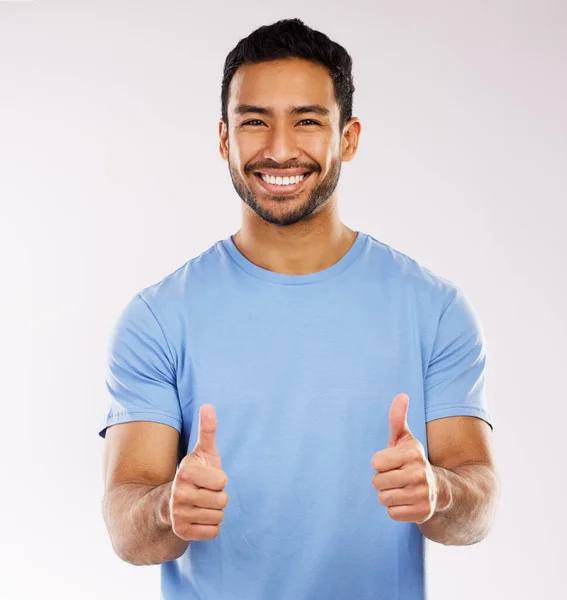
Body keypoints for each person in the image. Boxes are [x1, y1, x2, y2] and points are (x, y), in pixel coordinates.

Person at [99, 17, 500, 600]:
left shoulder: (433, 308)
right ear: (223, 140)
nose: (279, 149)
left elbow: (478, 507)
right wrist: (167, 507)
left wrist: (440, 492)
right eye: (254, 122)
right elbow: (126, 527)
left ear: (348, 138)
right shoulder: (158, 317)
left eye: (307, 121)